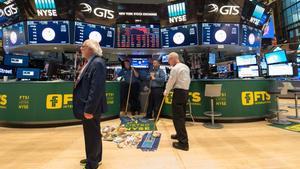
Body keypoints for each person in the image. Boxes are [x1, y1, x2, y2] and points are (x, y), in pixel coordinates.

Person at [73, 39, 107, 169]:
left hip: (90, 107)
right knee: (93, 133)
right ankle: (95, 158)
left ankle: (92, 163)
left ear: (90, 49)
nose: (81, 49)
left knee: (91, 135)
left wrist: (89, 109)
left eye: (83, 46)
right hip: (88, 106)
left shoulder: (97, 63)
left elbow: (96, 88)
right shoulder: (91, 62)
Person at [163, 52, 191, 151]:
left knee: (177, 117)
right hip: (185, 92)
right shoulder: (185, 67)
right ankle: (179, 135)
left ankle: (183, 143)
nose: (169, 62)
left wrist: (166, 91)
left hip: (179, 93)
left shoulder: (175, 69)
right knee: (181, 116)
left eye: (169, 60)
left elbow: (171, 81)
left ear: (173, 59)